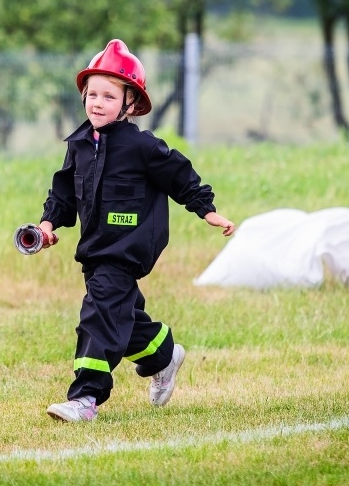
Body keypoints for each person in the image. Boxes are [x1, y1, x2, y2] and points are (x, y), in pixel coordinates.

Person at [35, 39, 236, 423]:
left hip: (128, 247)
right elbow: (62, 192)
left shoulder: (142, 147)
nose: (97, 102)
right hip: (95, 249)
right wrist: (47, 225)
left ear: (130, 103)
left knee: (98, 314)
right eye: (91, 93)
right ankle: (162, 352)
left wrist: (206, 210)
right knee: (119, 317)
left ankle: (85, 398)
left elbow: (180, 175)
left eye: (108, 96)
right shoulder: (78, 145)